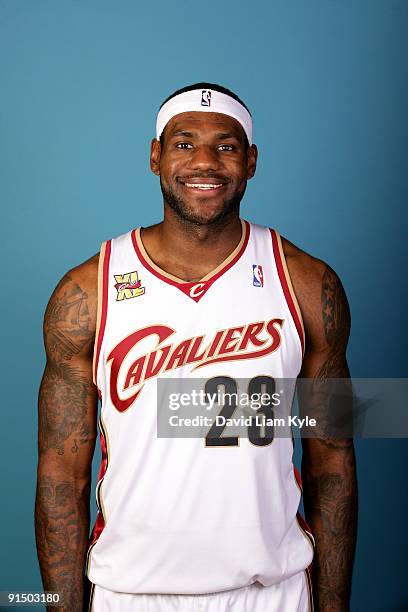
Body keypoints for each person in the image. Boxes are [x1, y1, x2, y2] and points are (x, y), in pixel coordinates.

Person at [35, 82, 358, 612]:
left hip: (271, 592)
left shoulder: (306, 283)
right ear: (155, 156)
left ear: (250, 161)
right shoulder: (86, 293)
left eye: (225, 146)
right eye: (184, 144)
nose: (205, 162)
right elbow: (60, 473)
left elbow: (334, 458)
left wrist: (333, 606)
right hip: (129, 593)